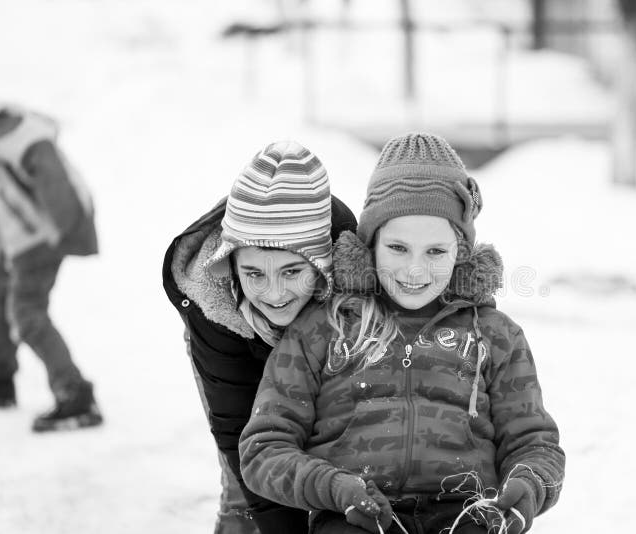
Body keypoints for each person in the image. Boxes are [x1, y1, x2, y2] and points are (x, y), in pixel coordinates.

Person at [238, 133, 565, 534]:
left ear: (460, 251)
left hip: (467, 514)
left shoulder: (497, 337)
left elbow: (535, 443)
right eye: (397, 248)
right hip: (356, 516)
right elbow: (264, 449)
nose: (414, 271)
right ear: (370, 244)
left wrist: (527, 483)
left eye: (435, 252)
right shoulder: (323, 329)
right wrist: (336, 487)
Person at [162, 140, 357, 534]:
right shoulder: (211, 303)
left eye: (291, 272)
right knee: (245, 487)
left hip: (318, 354)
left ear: (322, 265)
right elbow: (239, 432)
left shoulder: (352, 275)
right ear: (230, 265)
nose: (273, 294)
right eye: (254, 273)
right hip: (237, 346)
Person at [0, 104, 102, 432]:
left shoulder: (20, 138)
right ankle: (2, 383)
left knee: (26, 314)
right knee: (6, 302)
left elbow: (59, 190)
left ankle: (75, 393)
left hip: (37, 241)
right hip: (16, 242)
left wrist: (69, 233)